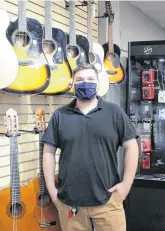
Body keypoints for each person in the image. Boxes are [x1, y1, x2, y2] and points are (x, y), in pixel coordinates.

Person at [42, 63, 139, 231]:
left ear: (98, 83)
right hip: (70, 203)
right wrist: (52, 190)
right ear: (72, 84)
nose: (85, 83)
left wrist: (126, 185)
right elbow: (48, 152)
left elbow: (132, 146)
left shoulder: (114, 112)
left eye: (90, 79)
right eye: (79, 80)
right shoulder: (60, 115)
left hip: (108, 200)